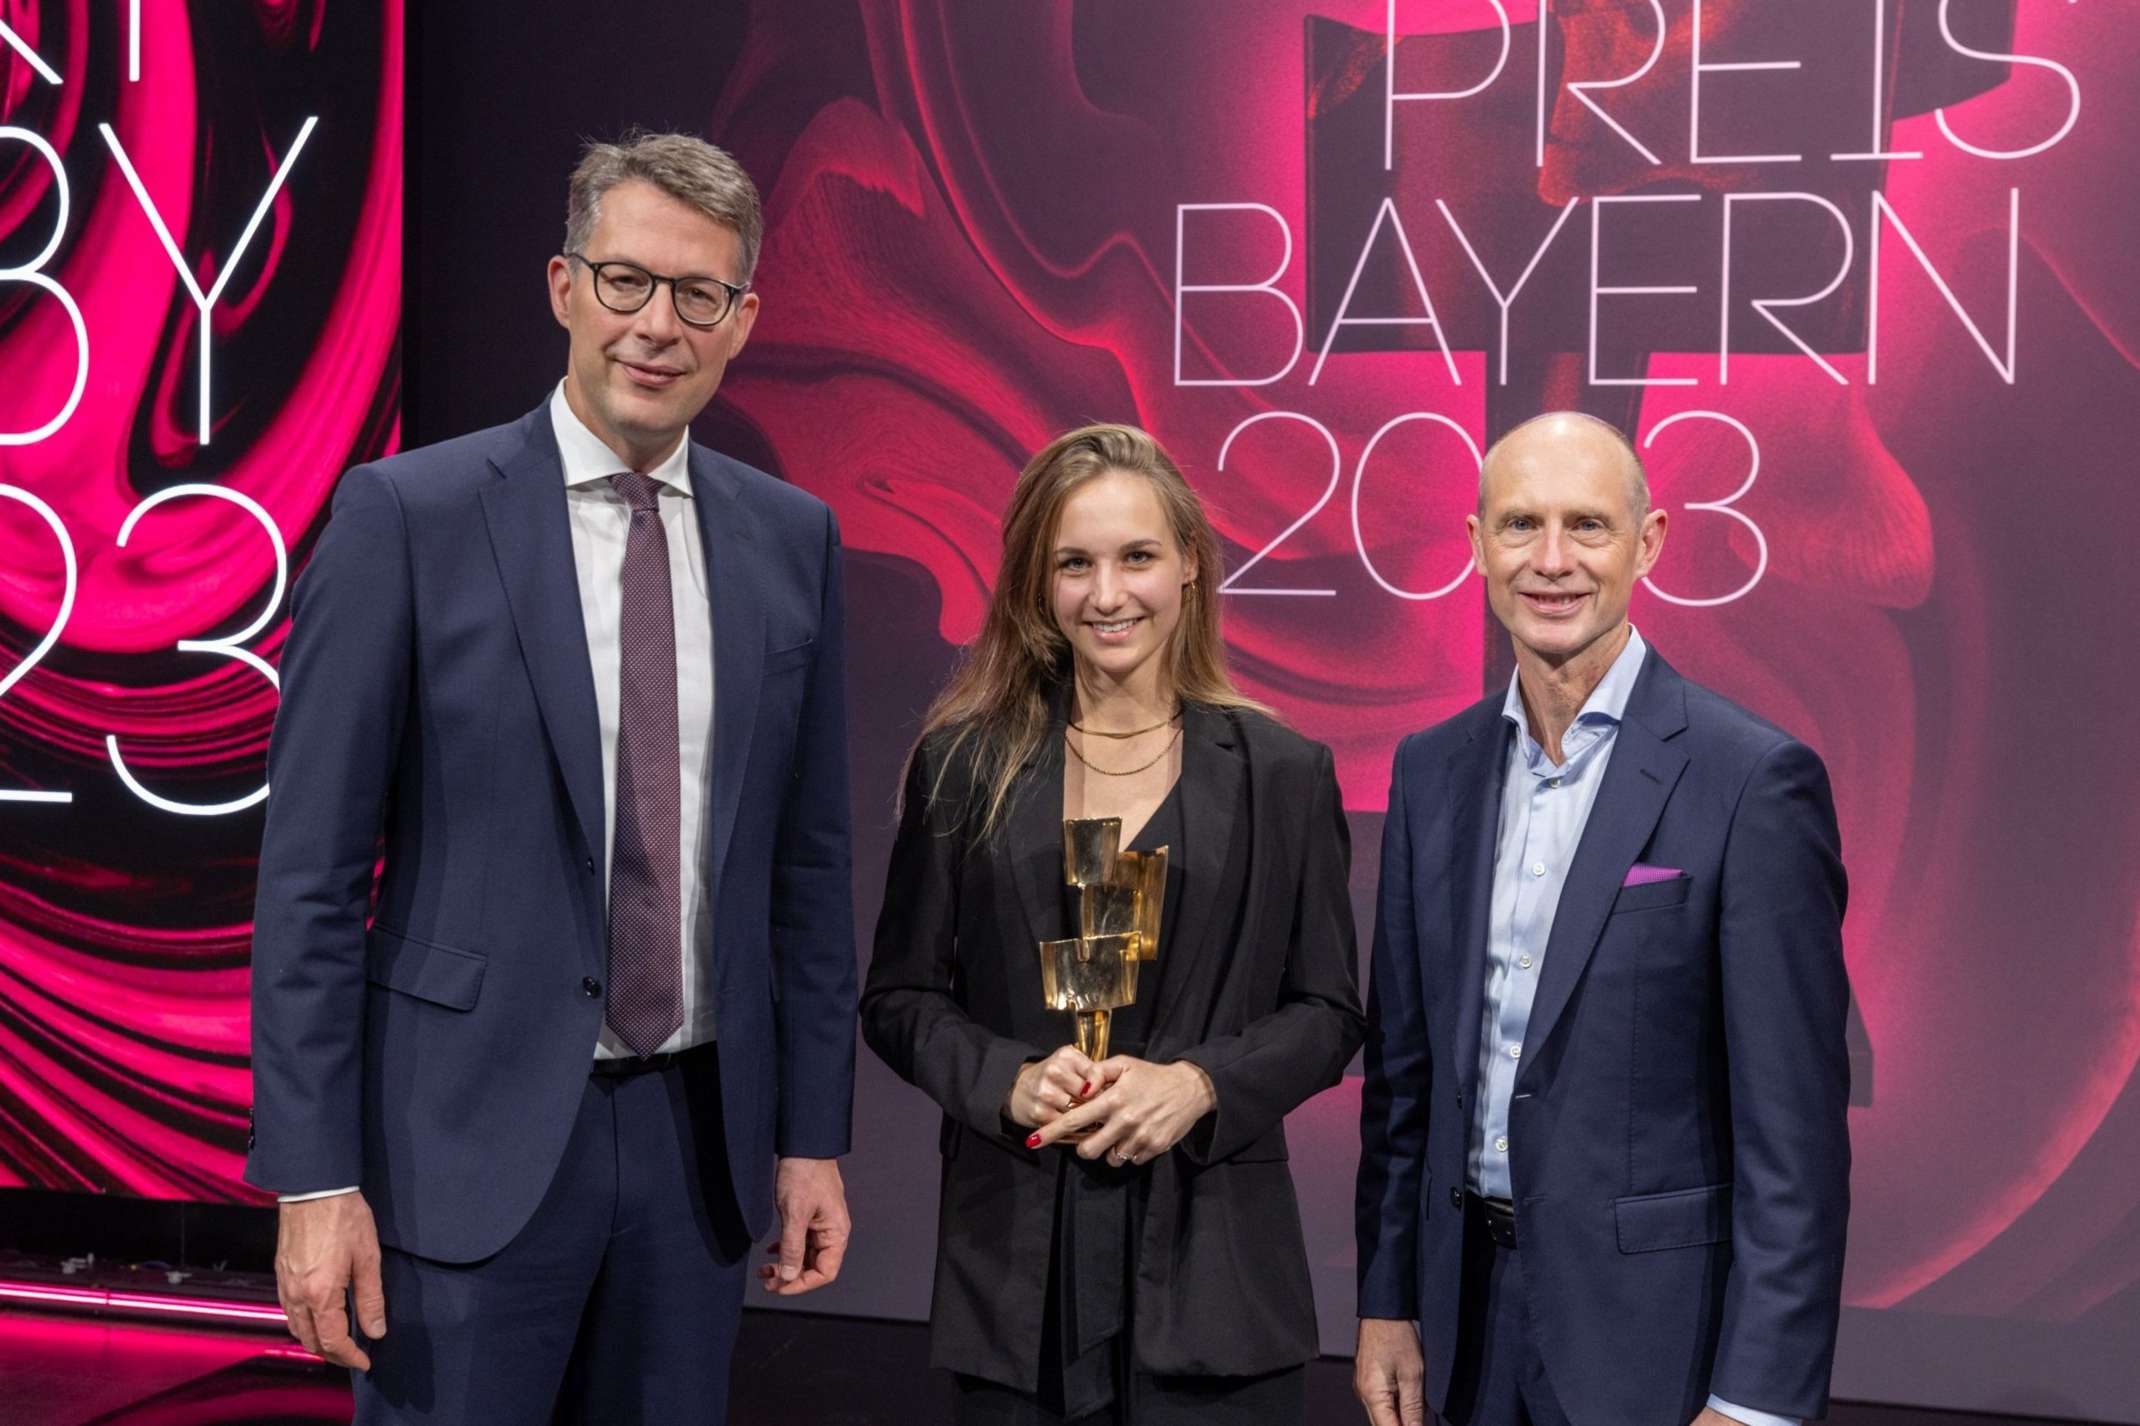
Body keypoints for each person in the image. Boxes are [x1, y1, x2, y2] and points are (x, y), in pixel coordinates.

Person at [246, 131, 857, 1423]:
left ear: (742, 320)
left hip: (700, 1153)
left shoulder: (792, 541)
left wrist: (813, 1134)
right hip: (460, 1145)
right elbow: (306, 878)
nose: (657, 325)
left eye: (699, 295)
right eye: (626, 280)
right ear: (564, 285)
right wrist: (312, 1178)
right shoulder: (405, 515)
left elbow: (808, 875)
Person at [1353, 412, 1851, 1426]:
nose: (1550, 561)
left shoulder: (1752, 778)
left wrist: (1754, 1400)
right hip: (1461, 1331)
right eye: (1519, 525)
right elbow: (1403, 1085)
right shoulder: (1429, 770)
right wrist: (1386, 1299)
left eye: (1585, 525)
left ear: (1649, 542)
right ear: (1474, 545)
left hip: (1654, 1345)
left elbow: (1792, 1141)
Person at [862, 424, 1365, 1423]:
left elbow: (1329, 1011)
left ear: (1187, 563)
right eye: (1073, 564)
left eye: (1136, 557)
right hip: (1017, 1284)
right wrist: (1003, 1076)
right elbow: (898, 998)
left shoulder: (1284, 771)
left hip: (1214, 1283)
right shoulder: (964, 765)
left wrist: (1200, 1085)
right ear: (1034, 585)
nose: (1107, 595)